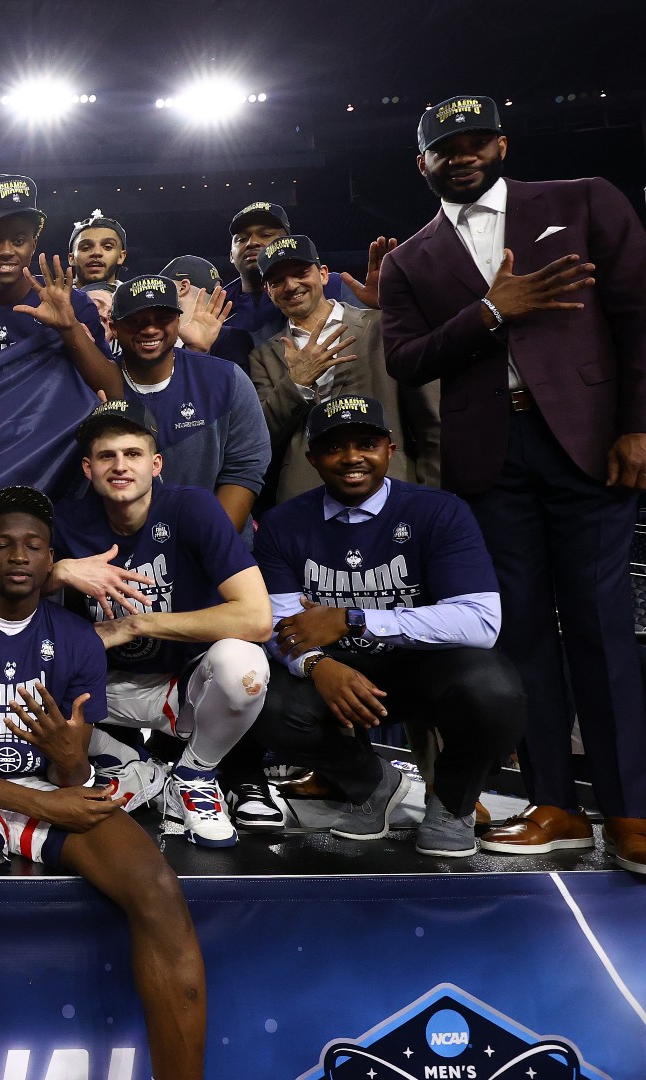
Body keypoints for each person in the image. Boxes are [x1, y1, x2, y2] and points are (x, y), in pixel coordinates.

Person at [380, 95, 646, 871]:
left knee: (600, 623)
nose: (461, 156)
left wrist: (638, 425)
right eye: (444, 147)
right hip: (490, 459)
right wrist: (491, 311)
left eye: (474, 141)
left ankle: (630, 809)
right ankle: (556, 803)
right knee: (521, 631)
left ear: (501, 142)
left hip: (589, 441)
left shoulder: (582, 199)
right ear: (421, 163)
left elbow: (636, 315)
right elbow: (407, 358)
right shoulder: (409, 260)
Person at [0, 485, 206, 1080]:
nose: (19, 556)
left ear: (49, 560)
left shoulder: (76, 639)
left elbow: (74, 771)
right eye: (4, 545)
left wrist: (73, 764)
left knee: (158, 889)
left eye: (33, 546)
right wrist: (48, 801)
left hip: (46, 786)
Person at [253, 395, 523, 856]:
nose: (352, 457)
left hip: (422, 670)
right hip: (334, 674)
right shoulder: (283, 524)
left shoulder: (439, 511)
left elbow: (480, 622)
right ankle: (374, 784)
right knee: (261, 700)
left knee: (494, 691)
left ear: (390, 449)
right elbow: (279, 625)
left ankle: (452, 803)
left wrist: (353, 620)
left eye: (366, 443)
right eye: (335, 447)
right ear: (313, 457)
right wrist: (318, 664)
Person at [53, 399, 276, 844]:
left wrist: (135, 625)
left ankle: (193, 776)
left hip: (184, 690)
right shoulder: (65, 519)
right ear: (87, 468)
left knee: (245, 665)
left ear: (156, 464)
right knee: (14, 678)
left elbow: (257, 618)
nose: (120, 466)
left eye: (133, 454)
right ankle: (135, 765)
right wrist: (57, 572)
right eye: (106, 456)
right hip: (100, 691)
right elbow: (1, 598)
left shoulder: (191, 508)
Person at [249, 235, 440, 505]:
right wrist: (296, 384)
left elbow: (431, 420)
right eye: (277, 281)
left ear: (324, 274)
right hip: (306, 499)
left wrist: (432, 493)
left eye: (301, 273)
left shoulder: (381, 327)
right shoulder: (263, 355)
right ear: (269, 291)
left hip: (393, 490)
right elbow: (260, 438)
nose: (291, 286)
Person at [106, 276, 272, 531]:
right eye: (135, 320)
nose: (150, 329)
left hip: (211, 544)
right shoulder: (100, 385)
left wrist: (213, 545)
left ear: (178, 320)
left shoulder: (226, 377)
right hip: (126, 549)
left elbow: (246, 468)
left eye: (162, 318)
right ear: (114, 327)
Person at [0, 175, 124, 402]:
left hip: (55, 436)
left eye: (19, 240)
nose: (6, 251)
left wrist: (69, 328)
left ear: (33, 244)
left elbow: (114, 392)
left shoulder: (75, 304)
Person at [222, 201, 360, 343]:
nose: (252, 242)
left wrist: (382, 306)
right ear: (231, 255)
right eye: (242, 239)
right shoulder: (217, 306)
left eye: (265, 234)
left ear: (287, 242)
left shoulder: (332, 285)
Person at [160, 255, 253, 370]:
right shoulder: (158, 338)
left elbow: (227, 387)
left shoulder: (229, 339)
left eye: (162, 289)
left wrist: (198, 352)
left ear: (182, 288)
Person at [68, 210, 128, 285]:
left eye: (107, 247)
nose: (96, 252)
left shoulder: (133, 296)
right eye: (85, 248)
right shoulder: (50, 296)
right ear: (72, 258)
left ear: (121, 256)